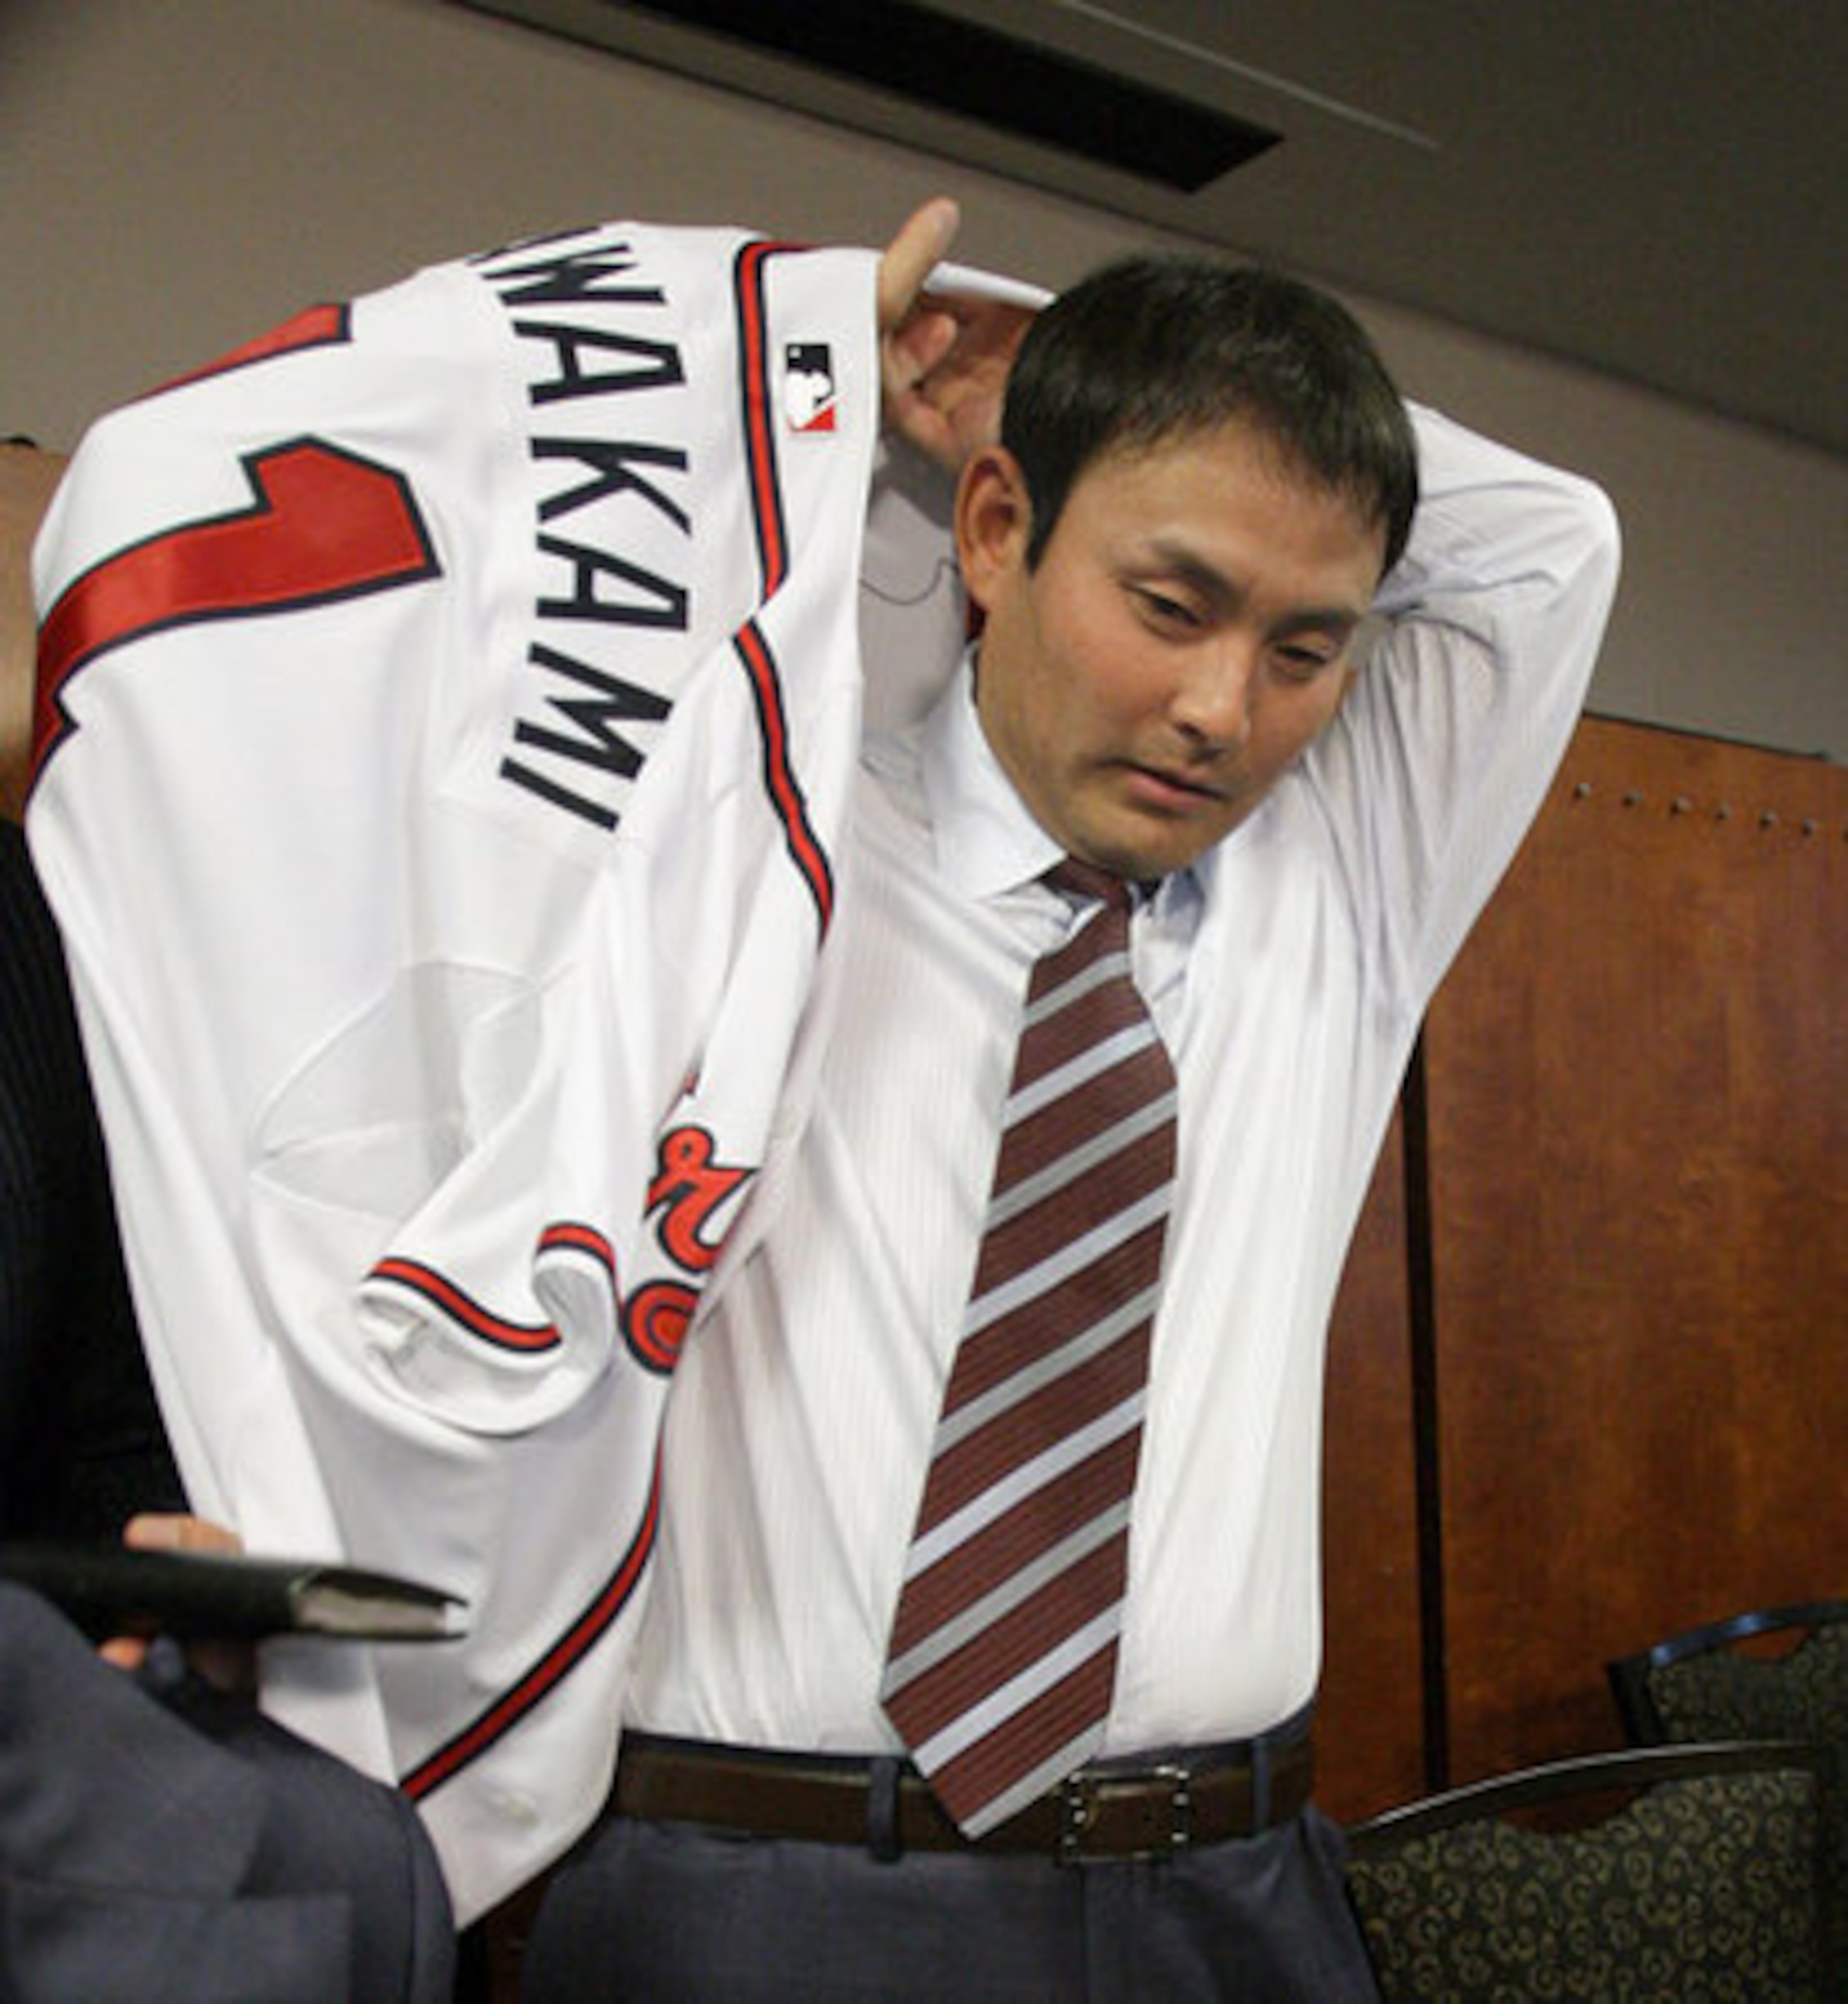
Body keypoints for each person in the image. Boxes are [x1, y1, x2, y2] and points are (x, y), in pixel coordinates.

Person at [22, 200, 1619, 1998]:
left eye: (1308, 650)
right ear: (999, 528)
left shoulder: (1342, 895)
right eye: (1169, 604)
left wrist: (1056, 335)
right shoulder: (748, 845)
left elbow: (1553, 543)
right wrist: (776, 350)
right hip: (768, 1891)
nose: (1219, 707)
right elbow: (248, 490)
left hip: (1230, 1897)